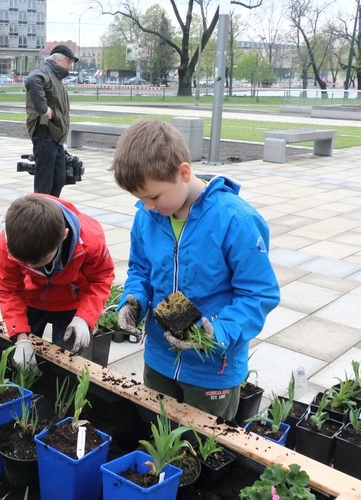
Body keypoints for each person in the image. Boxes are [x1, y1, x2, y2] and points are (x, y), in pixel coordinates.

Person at [111, 120, 280, 421]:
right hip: (159, 359)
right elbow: (140, 269)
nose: (147, 206)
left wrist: (218, 331)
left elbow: (258, 293)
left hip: (212, 368)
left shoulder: (235, 220)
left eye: (154, 196)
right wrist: (133, 299)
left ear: (184, 173)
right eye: (140, 198)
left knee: (203, 448)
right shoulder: (147, 217)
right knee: (158, 433)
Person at [0, 194, 115, 366]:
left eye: (40, 261)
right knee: (20, 358)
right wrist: (20, 337)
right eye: (24, 263)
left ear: (64, 236)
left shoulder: (90, 242)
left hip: (70, 302)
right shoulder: (9, 241)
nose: (31, 267)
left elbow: (101, 279)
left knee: (68, 362)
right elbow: (7, 288)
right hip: (30, 298)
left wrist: (85, 317)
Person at [24, 45, 78, 198]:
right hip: (45, 133)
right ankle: (39, 218)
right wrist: (45, 110)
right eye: (68, 62)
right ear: (57, 59)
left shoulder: (55, 77)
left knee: (59, 180)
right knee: (44, 185)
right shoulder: (45, 72)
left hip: (55, 137)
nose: (70, 66)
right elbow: (32, 80)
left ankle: (50, 214)